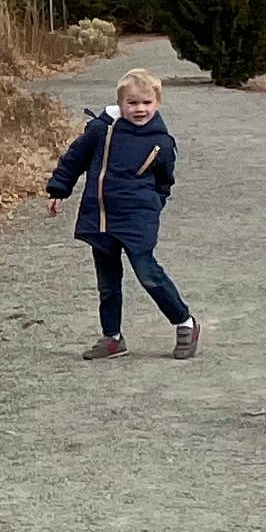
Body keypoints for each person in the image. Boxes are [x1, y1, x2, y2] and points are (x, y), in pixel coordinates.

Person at [45, 68, 198, 359]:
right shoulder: (101, 131)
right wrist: (58, 190)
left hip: (137, 219)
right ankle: (112, 337)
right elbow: (74, 159)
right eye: (132, 103)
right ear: (121, 103)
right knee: (107, 282)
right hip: (100, 217)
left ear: (157, 103)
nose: (139, 109)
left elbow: (164, 181)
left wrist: (152, 206)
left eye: (146, 103)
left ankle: (185, 322)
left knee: (148, 273)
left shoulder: (161, 143)